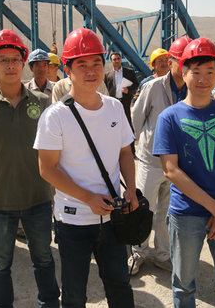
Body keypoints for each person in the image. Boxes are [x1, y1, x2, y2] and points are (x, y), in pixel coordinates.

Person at [35, 27, 137, 307]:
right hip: (73, 221)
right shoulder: (54, 117)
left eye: (96, 63)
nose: (91, 71)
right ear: (68, 69)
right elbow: (48, 169)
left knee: (119, 285)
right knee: (74, 293)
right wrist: (88, 198)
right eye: (82, 64)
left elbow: (125, 153)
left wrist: (131, 191)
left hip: (112, 218)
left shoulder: (115, 108)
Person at [153, 37, 215, 308]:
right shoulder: (169, 117)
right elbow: (170, 170)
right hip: (186, 215)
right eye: (196, 72)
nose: (203, 79)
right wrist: (213, 207)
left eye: (210, 72)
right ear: (184, 73)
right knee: (183, 285)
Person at [0, 29, 59, 307]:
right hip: (0, 204)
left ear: (23, 63)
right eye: (3, 60)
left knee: (44, 259)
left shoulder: (44, 104)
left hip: (39, 200)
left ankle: (49, 303)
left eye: (15, 59)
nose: (10, 65)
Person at [127, 36, 190, 276]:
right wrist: (133, 149)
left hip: (177, 164)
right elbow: (137, 119)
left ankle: (163, 254)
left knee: (166, 211)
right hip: (151, 161)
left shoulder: (191, 88)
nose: (185, 68)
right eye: (181, 61)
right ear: (172, 60)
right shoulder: (153, 87)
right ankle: (138, 253)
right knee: (143, 208)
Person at [104, 51, 139, 128]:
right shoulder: (107, 75)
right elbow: (108, 88)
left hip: (126, 101)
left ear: (121, 60)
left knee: (128, 122)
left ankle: (131, 139)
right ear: (111, 61)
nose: (116, 61)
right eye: (114, 59)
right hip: (114, 102)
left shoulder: (129, 72)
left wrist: (129, 90)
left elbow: (136, 85)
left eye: (118, 59)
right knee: (115, 122)